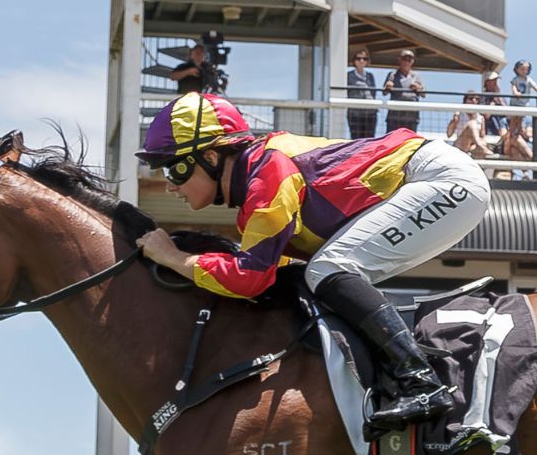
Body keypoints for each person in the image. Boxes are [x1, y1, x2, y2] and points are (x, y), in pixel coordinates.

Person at [135, 92, 490, 431]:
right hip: (433, 178)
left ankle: (422, 381)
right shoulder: (256, 186)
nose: (170, 186)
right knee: (322, 272)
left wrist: (174, 258)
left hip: (441, 179)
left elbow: (249, 277)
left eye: (174, 170)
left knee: (330, 269)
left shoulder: (266, 175)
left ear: (211, 158)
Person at [383, 49, 425, 133]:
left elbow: (424, 94)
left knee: (410, 142)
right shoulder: (393, 75)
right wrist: (388, 86)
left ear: (412, 61)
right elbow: (384, 92)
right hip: (394, 117)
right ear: (400, 60)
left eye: (409, 59)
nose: (407, 62)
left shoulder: (416, 76)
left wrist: (418, 88)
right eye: (404, 59)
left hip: (412, 117)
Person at [446, 92, 497, 159]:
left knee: (482, 144)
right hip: (461, 145)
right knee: (472, 124)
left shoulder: (480, 118)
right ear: (465, 101)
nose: (474, 101)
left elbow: (482, 137)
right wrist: (454, 120)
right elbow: (449, 134)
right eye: (471, 98)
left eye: (477, 99)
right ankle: (481, 147)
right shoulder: (460, 114)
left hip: (474, 147)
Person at [346, 48, 377, 139]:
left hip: (370, 113)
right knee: (356, 140)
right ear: (354, 61)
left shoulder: (370, 76)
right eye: (359, 58)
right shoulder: (349, 75)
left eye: (365, 59)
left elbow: (373, 93)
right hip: (355, 114)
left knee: (369, 140)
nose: (361, 61)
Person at [481, 71, 508, 139]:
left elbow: (508, 114)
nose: (495, 82)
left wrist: (499, 99)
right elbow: (486, 116)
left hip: (503, 127)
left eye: (496, 80)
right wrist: (493, 102)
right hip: (490, 130)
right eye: (493, 80)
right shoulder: (483, 98)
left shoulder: (501, 97)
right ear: (487, 82)